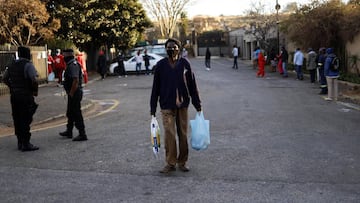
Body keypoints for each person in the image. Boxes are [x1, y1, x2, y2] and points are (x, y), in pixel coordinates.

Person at [150, 38, 202, 173]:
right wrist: (152, 108)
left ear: (179, 48)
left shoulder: (185, 64)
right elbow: (155, 88)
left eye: (174, 47)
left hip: (182, 105)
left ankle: (182, 162)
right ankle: (170, 162)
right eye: (168, 47)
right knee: (169, 134)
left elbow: (192, 85)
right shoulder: (161, 65)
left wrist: (198, 105)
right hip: (166, 105)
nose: (171, 49)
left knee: (182, 134)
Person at [3, 46, 39, 151]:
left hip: (14, 96)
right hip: (25, 95)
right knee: (26, 118)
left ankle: (20, 142)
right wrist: (35, 91)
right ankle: (26, 143)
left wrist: (12, 87)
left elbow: (5, 78)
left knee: (17, 118)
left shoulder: (11, 65)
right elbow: (34, 80)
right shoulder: (28, 65)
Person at [59, 49, 87, 141]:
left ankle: (82, 133)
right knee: (70, 112)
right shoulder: (70, 64)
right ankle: (69, 130)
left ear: (68, 56)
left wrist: (71, 93)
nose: (63, 58)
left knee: (76, 113)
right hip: (73, 92)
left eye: (64, 56)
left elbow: (75, 80)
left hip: (75, 92)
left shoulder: (73, 65)